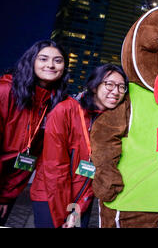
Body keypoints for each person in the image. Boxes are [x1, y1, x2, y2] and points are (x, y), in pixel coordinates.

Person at [30, 64, 128, 228]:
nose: (116, 91)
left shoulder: (110, 122)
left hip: (82, 199)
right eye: (109, 84)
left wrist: (77, 209)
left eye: (121, 87)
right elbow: (54, 168)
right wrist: (64, 213)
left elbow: (97, 170)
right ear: (94, 86)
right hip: (50, 197)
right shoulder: (65, 110)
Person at [0, 40, 68, 226]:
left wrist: (6, 196)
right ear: (31, 61)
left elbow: (30, 156)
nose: (51, 65)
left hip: (8, 188)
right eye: (43, 58)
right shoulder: (5, 90)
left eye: (58, 60)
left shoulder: (54, 103)